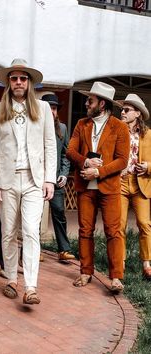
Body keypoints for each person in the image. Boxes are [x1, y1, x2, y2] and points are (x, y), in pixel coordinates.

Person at [0, 58, 57, 305]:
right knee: (8, 232)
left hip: (33, 180)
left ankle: (31, 286)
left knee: (30, 232)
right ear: (8, 82)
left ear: (29, 83)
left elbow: (50, 145)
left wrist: (49, 179)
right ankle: (11, 280)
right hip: (7, 180)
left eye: (23, 78)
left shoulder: (43, 109)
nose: (18, 82)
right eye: (14, 78)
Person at [66, 81, 130, 293]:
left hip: (109, 187)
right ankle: (85, 271)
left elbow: (122, 160)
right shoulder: (81, 124)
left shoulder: (119, 127)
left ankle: (116, 277)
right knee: (85, 230)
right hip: (85, 187)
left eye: (90, 100)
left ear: (102, 104)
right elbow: (70, 151)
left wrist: (99, 172)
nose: (86, 103)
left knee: (114, 231)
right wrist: (86, 162)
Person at [118, 94, 151, 280]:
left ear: (137, 113)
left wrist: (148, 166)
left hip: (141, 184)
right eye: (122, 109)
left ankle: (147, 264)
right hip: (121, 182)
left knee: (145, 224)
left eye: (126, 110)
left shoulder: (148, 135)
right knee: (120, 225)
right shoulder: (117, 131)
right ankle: (120, 263)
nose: (122, 112)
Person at [41, 94, 75, 261]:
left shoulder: (62, 128)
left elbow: (65, 154)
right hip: (37, 179)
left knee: (59, 212)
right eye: (48, 108)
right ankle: (34, 250)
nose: (51, 111)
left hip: (55, 180)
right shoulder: (34, 127)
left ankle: (64, 250)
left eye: (54, 108)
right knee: (34, 215)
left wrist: (64, 173)